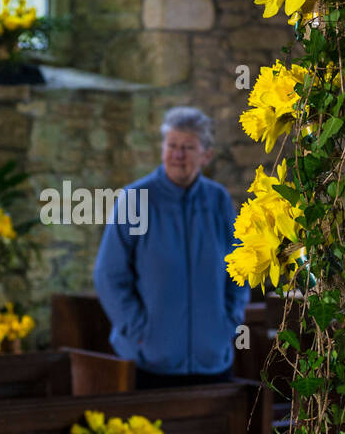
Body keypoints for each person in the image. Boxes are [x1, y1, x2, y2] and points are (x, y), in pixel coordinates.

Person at [94, 107, 250, 390]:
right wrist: (139, 330)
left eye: (188, 147)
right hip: (149, 362)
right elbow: (108, 274)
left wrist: (229, 323)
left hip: (212, 360)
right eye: (172, 145)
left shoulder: (218, 200)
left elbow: (240, 268)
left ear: (206, 155)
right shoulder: (135, 198)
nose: (178, 154)